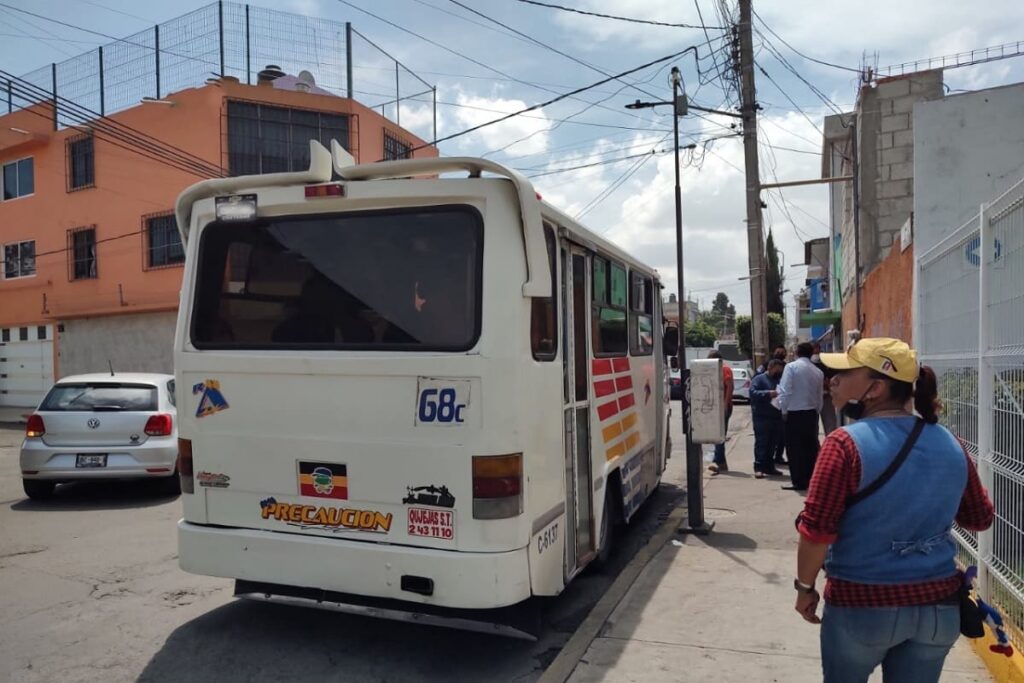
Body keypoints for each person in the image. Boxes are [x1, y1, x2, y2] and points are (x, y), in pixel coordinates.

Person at [793, 337, 994, 683]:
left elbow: (815, 533)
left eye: (845, 371)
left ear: (875, 388)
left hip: (862, 607)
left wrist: (804, 587)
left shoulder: (843, 445)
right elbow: (979, 519)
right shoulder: (951, 444)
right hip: (937, 609)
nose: (833, 379)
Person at [776, 342, 824, 491]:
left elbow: (785, 391)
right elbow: (819, 396)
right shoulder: (817, 372)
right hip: (811, 413)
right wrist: (816, 411)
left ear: (797, 352)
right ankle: (810, 479)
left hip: (794, 413)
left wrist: (783, 410)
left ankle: (798, 481)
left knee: (794, 449)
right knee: (810, 448)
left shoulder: (791, 368)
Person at [749, 359, 785, 478]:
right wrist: (768, 393)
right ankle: (759, 467)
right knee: (762, 443)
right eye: (777, 369)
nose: (779, 372)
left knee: (772, 443)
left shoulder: (778, 380)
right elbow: (753, 393)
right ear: (770, 367)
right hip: (761, 417)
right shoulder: (759, 379)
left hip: (776, 416)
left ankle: (769, 467)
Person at [706, 351, 734, 475]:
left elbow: (729, 386)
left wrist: (725, 403)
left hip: (723, 407)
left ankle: (719, 461)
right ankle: (719, 460)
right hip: (717, 406)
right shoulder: (716, 370)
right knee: (717, 435)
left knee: (719, 435)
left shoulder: (724, 369)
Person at [813, 344, 839, 435]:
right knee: (813, 428)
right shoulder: (808, 364)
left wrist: (829, 383)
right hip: (813, 399)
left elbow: (835, 377)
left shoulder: (827, 363)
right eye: (813, 350)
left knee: (830, 425)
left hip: (826, 397)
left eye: (817, 349)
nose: (815, 352)